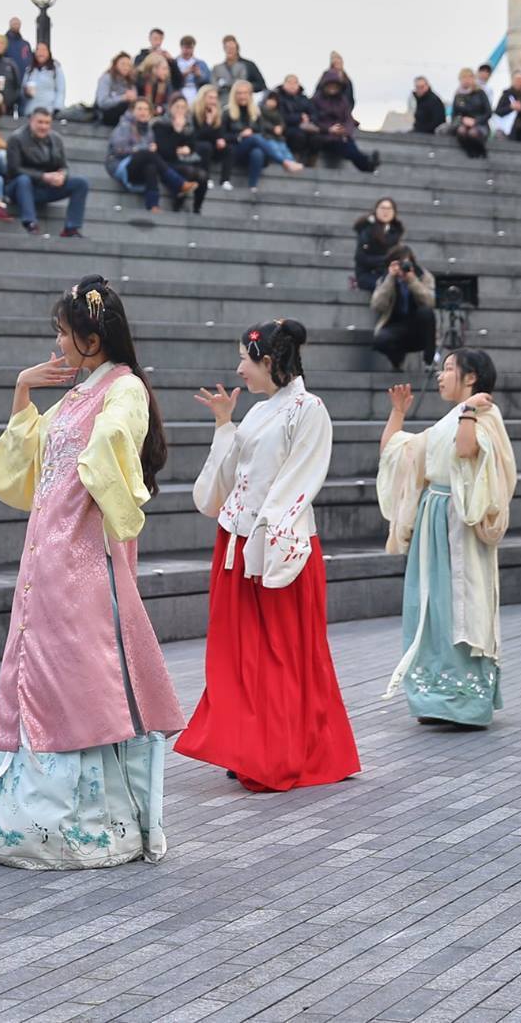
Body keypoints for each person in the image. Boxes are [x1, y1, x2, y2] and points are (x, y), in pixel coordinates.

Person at [0, 278, 187, 869]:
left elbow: (117, 439)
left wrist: (105, 448)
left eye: (65, 336)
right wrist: (23, 389)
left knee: (79, 677)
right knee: (43, 670)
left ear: (93, 339)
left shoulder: (125, 390)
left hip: (82, 557)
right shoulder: (75, 396)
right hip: (48, 552)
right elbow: (34, 464)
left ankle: (88, 826)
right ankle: (30, 822)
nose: (59, 346)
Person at [181, 320, 362, 791]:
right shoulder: (261, 412)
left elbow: (299, 481)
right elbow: (226, 483)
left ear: (268, 361)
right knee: (240, 654)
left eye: (245, 358)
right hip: (238, 543)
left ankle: (282, 750)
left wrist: (265, 541)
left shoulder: (309, 409)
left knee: (282, 654)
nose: (239, 368)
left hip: (278, 546)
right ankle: (251, 744)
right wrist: (225, 425)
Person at [377, 349, 517, 727]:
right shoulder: (446, 420)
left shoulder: (484, 415)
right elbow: (397, 453)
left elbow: (467, 449)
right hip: (434, 519)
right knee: (431, 607)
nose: (441, 376)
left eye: (449, 369)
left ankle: (464, 701)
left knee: (460, 604)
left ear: (471, 378)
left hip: (461, 523)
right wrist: (398, 412)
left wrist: (469, 410)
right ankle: (432, 697)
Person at [7, 106, 89, 238]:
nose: (44, 127)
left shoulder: (56, 139)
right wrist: (43, 177)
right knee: (23, 180)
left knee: (81, 183)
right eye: (40, 122)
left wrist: (62, 175)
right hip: (19, 188)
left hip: (46, 187)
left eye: (47, 123)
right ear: (31, 121)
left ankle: (71, 228)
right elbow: (14, 169)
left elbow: (64, 166)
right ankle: (30, 223)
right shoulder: (16, 139)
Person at [105, 99, 192, 215]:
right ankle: (179, 183)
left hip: (138, 167)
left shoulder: (149, 131)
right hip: (119, 164)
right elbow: (119, 149)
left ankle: (153, 205)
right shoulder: (124, 126)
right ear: (132, 111)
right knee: (147, 153)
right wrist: (142, 148)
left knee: (151, 166)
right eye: (139, 109)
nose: (143, 112)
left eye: (146, 109)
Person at [371, 245, 438, 373]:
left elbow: (430, 302)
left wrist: (412, 281)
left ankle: (429, 362)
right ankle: (396, 362)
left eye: (406, 263)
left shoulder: (423, 276)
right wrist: (390, 279)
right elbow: (377, 305)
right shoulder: (386, 278)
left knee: (427, 312)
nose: (402, 267)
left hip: (418, 325)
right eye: (399, 263)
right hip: (395, 325)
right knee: (381, 339)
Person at [153, 96, 210, 213]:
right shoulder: (160, 124)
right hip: (166, 164)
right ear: (170, 108)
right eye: (177, 107)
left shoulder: (189, 126)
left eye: (183, 107)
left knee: (203, 175)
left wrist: (187, 149)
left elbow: (192, 146)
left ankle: (197, 208)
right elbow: (165, 151)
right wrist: (177, 131)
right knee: (187, 171)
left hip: (185, 161)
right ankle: (177, 204)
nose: (180, 110)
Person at [354, 197, 403, 291]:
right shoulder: (367, 229)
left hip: (387, 273)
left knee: (403, 287)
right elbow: (361, 257)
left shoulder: (395, 231)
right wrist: (385, 260)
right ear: (376, 210)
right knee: (388, 286)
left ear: (394, 212)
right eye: (382, 208)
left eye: (389, 209)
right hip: (368, 274)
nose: (386, 212)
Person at [209, 35, 266, 103]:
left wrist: (245, 86)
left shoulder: (249, 65)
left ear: (237, 48)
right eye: (227, 47)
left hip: (243, 102)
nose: (230, 50)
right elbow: (213, 86)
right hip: (223, 102)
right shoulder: (218, 68)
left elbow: (261, 85)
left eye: (232, 48)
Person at [450, 68, 492, 158]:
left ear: (473, 79)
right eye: (463, 78)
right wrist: (463, 120)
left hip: (480, 124)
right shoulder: (458, 96)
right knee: (461, 131)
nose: (466, 80)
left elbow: (488, 112)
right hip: (463, 124)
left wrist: (475, 121)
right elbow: (454, 115)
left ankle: (481, 151)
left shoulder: (480, 93)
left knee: (473, 133)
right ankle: (470, 152)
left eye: (469, 78)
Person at [19, 41, 64, 119]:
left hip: (48, 112)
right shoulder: (29, 70)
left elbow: (61, 90)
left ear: (48, 53)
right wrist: (26, 92)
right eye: (38, 50)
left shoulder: (55, 69)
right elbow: (22, 92)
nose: (40, 53)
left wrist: (57, 109)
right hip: (31, 112)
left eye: (43, 50)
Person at [495, 71, 521, 143]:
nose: (519, 83)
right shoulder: (507, 94)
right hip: (509, 131)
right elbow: (498, 111)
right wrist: (511, 107)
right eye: (517, 80)